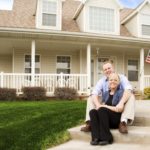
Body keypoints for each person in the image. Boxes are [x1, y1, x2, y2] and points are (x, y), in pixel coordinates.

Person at [81, 61, 135, 134]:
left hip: (120, 102)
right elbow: (94, 92)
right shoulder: (102, 81)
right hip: (107, 103)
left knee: (131, 96)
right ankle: (90, 123)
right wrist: (98, 105)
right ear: (103, 72)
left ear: (113, 68)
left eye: (109, 68)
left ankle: (123, 122)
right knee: (91, 98)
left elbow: (128, 88)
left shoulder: (122, 77)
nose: (107, 70)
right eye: (105, 69)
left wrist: (122, 102)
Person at [90, 73, 124, 145]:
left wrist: (105, 107)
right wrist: (101, 106)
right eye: (111, 80)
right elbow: (102, 105)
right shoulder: (105, 93)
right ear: (108, 81)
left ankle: (107, 138)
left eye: (115, 80)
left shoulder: (121, 92)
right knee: (92, 112)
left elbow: (120, 109)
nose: (113, 81)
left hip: (115, 119)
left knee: (102, 109)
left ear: (118, 82)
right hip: (105, 119)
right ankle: (96, 138)